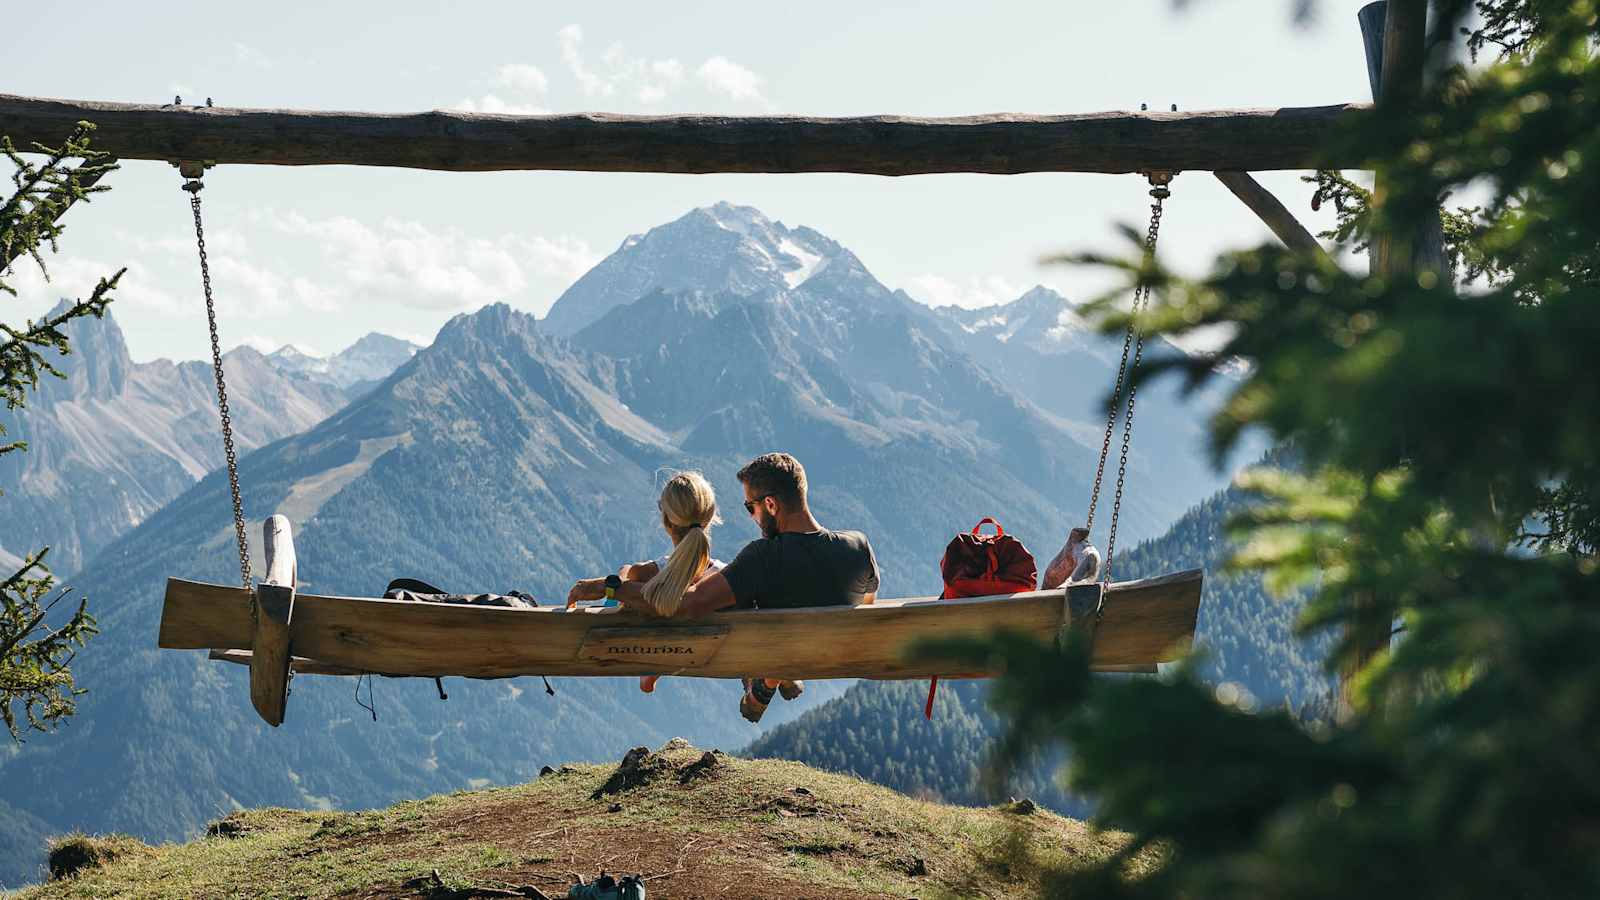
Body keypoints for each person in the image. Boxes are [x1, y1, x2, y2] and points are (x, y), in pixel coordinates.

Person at [612, 452, 881, 723]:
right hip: (842, 656)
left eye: (749, 508)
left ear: (771, 504)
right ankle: (774, 677)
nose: (751, 516)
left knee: (729, 595)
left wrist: (615, 587)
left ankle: (762, 682)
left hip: (776, 654)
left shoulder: (762, 557)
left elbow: (690, 604)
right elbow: (867, 602)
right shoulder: (858, 545)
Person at [567, 471, 725, 693]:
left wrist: (612, 584)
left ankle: (652, 668)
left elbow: (632, 588)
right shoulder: (726, 579)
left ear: (667, 521)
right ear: (710, 517)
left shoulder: (644, 577)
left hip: (657, 648)